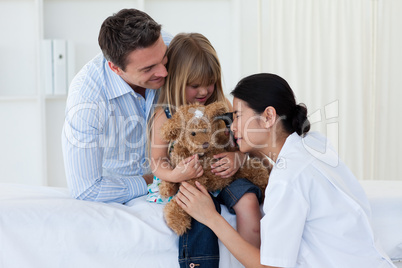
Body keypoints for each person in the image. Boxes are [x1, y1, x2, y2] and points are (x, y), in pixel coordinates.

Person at [175, 73, 396, 268]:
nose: (232, 127)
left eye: (238, 116)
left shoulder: (288, 179)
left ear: (269, 116)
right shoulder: (314, 143)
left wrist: (211, 217)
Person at [148, 33, 263, 268]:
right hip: (190, 180)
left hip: (224, 177)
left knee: (249, 199)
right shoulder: (166, 116)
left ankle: (249, 258)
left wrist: (238, 157)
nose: (204, 91)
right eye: (195, 85)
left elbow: (247, 145)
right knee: (196, 218)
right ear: (178, 80)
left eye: (210, 82)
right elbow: (157, 161)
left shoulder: (223, 108)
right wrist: (176, 175)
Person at [61, 9, 172, 203]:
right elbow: (86, 190)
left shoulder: (169, 45)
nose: (164, 72)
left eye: (163, 59)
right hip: (118, 194)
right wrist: (154, 180)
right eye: (148, 69)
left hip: (178, 178)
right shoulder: (87, 98)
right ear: (115, 68)